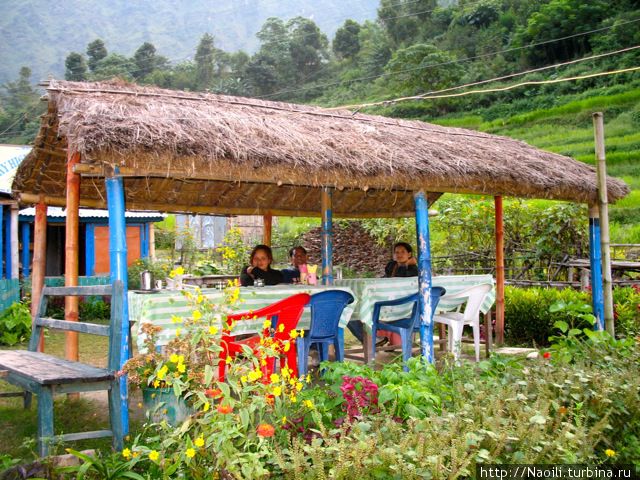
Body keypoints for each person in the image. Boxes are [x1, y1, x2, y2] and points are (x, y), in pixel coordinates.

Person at [347, 242, 419, 345]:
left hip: (401, 308)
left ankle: (373, 340)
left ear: (409, 254)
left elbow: (405, 281)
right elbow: (385, 280)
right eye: (397, 252)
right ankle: (375, 340)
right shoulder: (392, 266)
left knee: (353, 315)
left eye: (403, 252)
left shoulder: (413, 269)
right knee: (350, 314)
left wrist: (406, 265)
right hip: (385, 303)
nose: (399, 255)